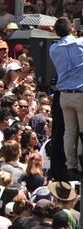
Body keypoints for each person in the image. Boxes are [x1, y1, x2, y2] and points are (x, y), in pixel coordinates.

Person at [49, 17, 83, 179]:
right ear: (71, 30)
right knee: (81, 131)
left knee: (69, 132)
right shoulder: (81, 43)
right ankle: (80, 164)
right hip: (80, 95)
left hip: (64, 96)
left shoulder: (53, 49)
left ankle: (70, 165)